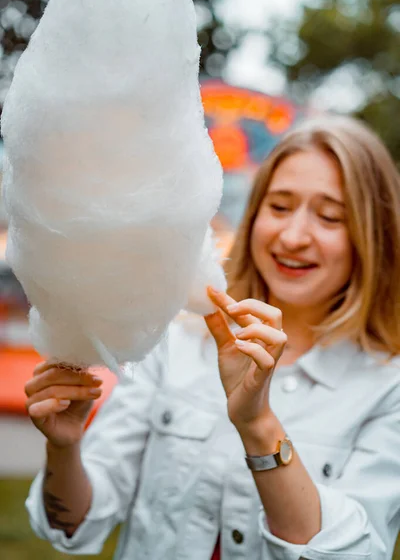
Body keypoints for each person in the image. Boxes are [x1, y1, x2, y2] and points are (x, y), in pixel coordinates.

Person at [24, 115, 400, 560]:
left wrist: (257, 425)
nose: (294, 236)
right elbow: (75, 524)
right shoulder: (176, 341)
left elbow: (354, 552)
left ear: (372, 235)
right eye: (279, 207)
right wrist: (63, 449)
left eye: (330, 216)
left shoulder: (387, 386)